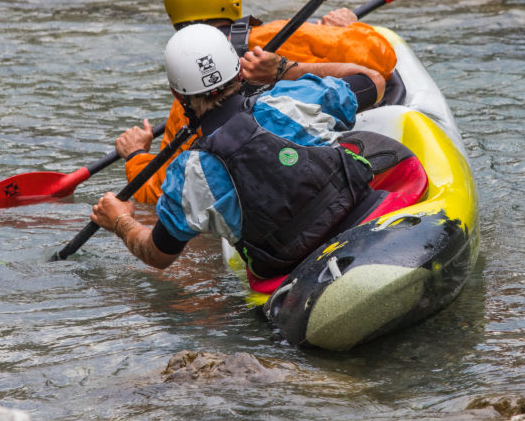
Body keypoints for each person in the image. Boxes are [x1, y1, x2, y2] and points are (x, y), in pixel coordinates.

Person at [91, 24, 389, 278]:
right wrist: (283, 69)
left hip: (292, 266)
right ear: (239, 72)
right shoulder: (292, 100)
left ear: (177, 95)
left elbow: (158, 255)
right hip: (365, 218)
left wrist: (120, 221)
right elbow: (373, 80)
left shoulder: (189, 173)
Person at [118, 0, 398, 204]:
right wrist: (350, 27)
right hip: (318, 175)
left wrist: (136, 155)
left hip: (256, 204)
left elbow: (160, 190)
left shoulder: (187, 100)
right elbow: (381, 62)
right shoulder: (276, 37)